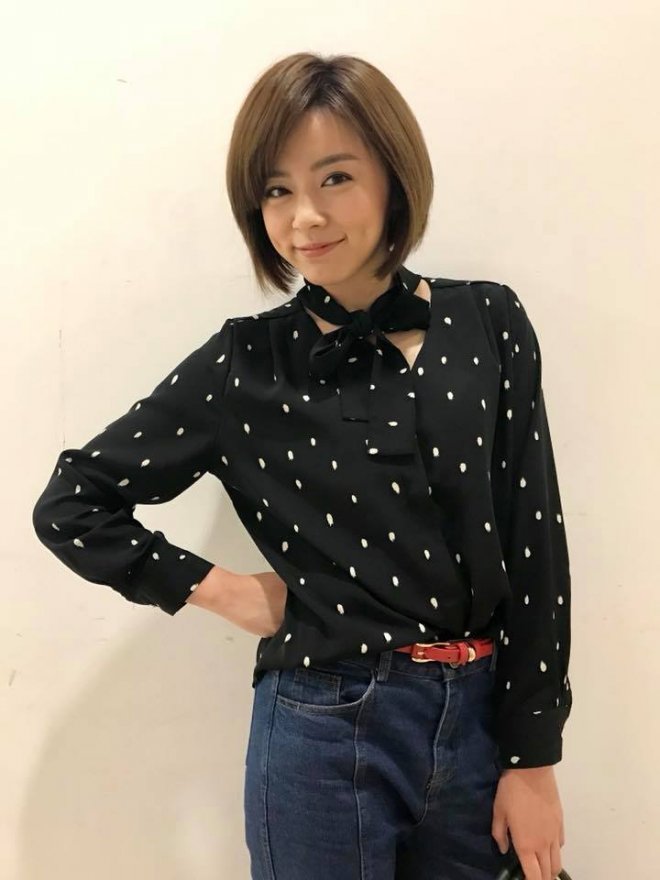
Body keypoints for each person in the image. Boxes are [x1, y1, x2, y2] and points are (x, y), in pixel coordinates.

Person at [32, 52, 572, 880]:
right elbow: (73, 502)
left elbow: (536, 543)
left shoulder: (489, 322)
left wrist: (533, 758)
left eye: (336, 178)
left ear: (393, 175)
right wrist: (223, 590)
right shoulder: (244, 363)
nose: (305, 217)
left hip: (477, 720)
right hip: (322, 727)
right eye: (277, 190)